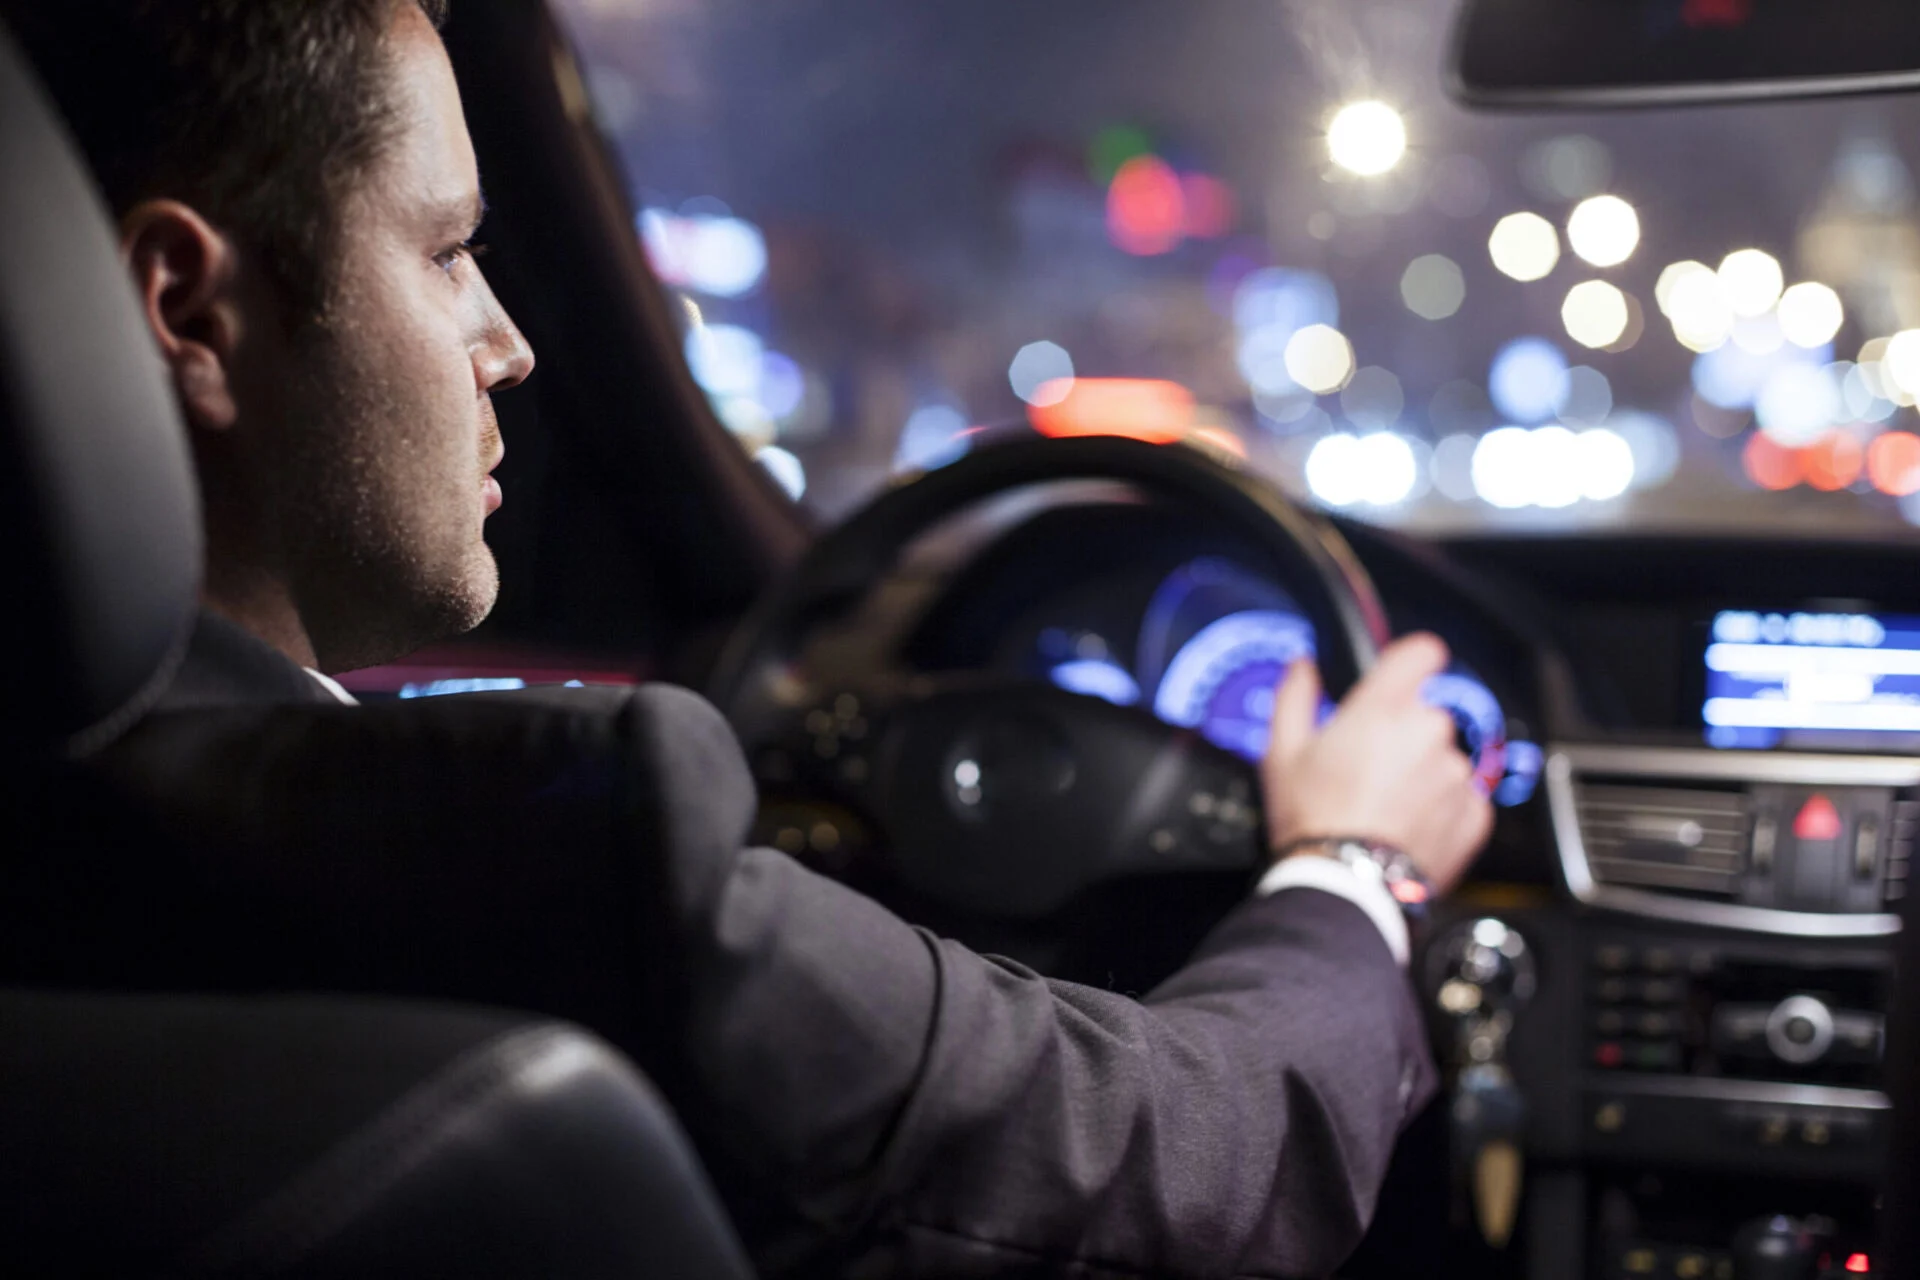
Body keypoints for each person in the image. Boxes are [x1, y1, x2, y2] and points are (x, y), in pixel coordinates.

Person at [2, 1, 1493, 1275]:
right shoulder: (538, 847)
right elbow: (1197, 1155)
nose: (511, 342)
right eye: (450, 250)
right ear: (187, 310)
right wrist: (1353, 862)